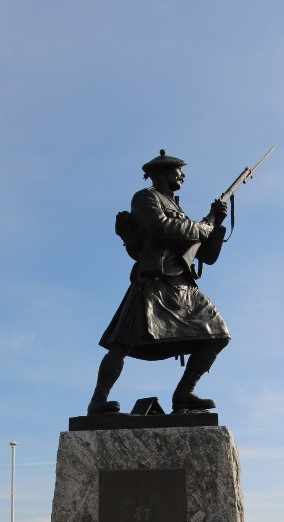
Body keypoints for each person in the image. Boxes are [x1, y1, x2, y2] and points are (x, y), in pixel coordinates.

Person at [87, 150, 231, 415]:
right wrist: (203, 227)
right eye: (178, 171)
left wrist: (216, 223)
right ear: (163, 173)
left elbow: (207, 257)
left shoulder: (178, 208)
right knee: (121, 345)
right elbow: (160, 227)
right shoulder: (146, 198)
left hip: (183, 286)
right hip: (153, 281)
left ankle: (184, 392)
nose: (182, 176)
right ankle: (98, 400)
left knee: (218, 335)